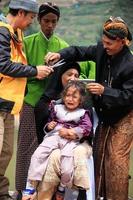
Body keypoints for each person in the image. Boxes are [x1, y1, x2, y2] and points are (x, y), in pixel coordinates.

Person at [45, 16, 133, 200]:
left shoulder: (130, 64)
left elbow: (129, 96)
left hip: (125, 115)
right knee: (98, 156)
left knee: (116, 161)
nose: (105, 46)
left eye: (109, 43)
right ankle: (100, 197)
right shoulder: (102, 50)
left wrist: (104, 91)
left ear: (122, 42)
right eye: (103, 42)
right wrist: (60, 54)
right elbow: (79, 51)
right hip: (104, 114)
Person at [0, 0, 54, 200]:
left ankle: (2, 193)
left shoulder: (16, 34)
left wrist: (39, 69)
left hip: (10, 102)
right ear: (21, 13)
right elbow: (3, 65)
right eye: (31, 17)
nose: (32, 22)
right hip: (1, 100)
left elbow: (16, 65)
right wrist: (34, 71)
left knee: (5, 153)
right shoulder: (2, 32)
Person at [15, 2, 69, 197]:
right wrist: (37, 72)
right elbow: (18, 72)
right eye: (46, 21)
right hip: (29, 100)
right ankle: (22, 190)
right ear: (38, 20)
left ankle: (46, 190)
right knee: (26, 147)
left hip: (54, 105)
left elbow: (69, 75)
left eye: (54, 22)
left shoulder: (63, 46)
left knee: (50, 149)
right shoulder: (26, 43)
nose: (50, 25)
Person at [28, 80, 92, 200]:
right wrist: (49, 126)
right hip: (54, 137)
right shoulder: (57, 108)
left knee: (67, 166)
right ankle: (32, 184)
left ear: (81, 100)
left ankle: (62, 187)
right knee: (38, 155)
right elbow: (48, 123)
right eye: (68, 95)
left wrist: (72, 132)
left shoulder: (83, 113)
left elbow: (86, 128)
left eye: (74, 97)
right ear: (63, 96)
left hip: (70, 141)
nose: (70, 99)